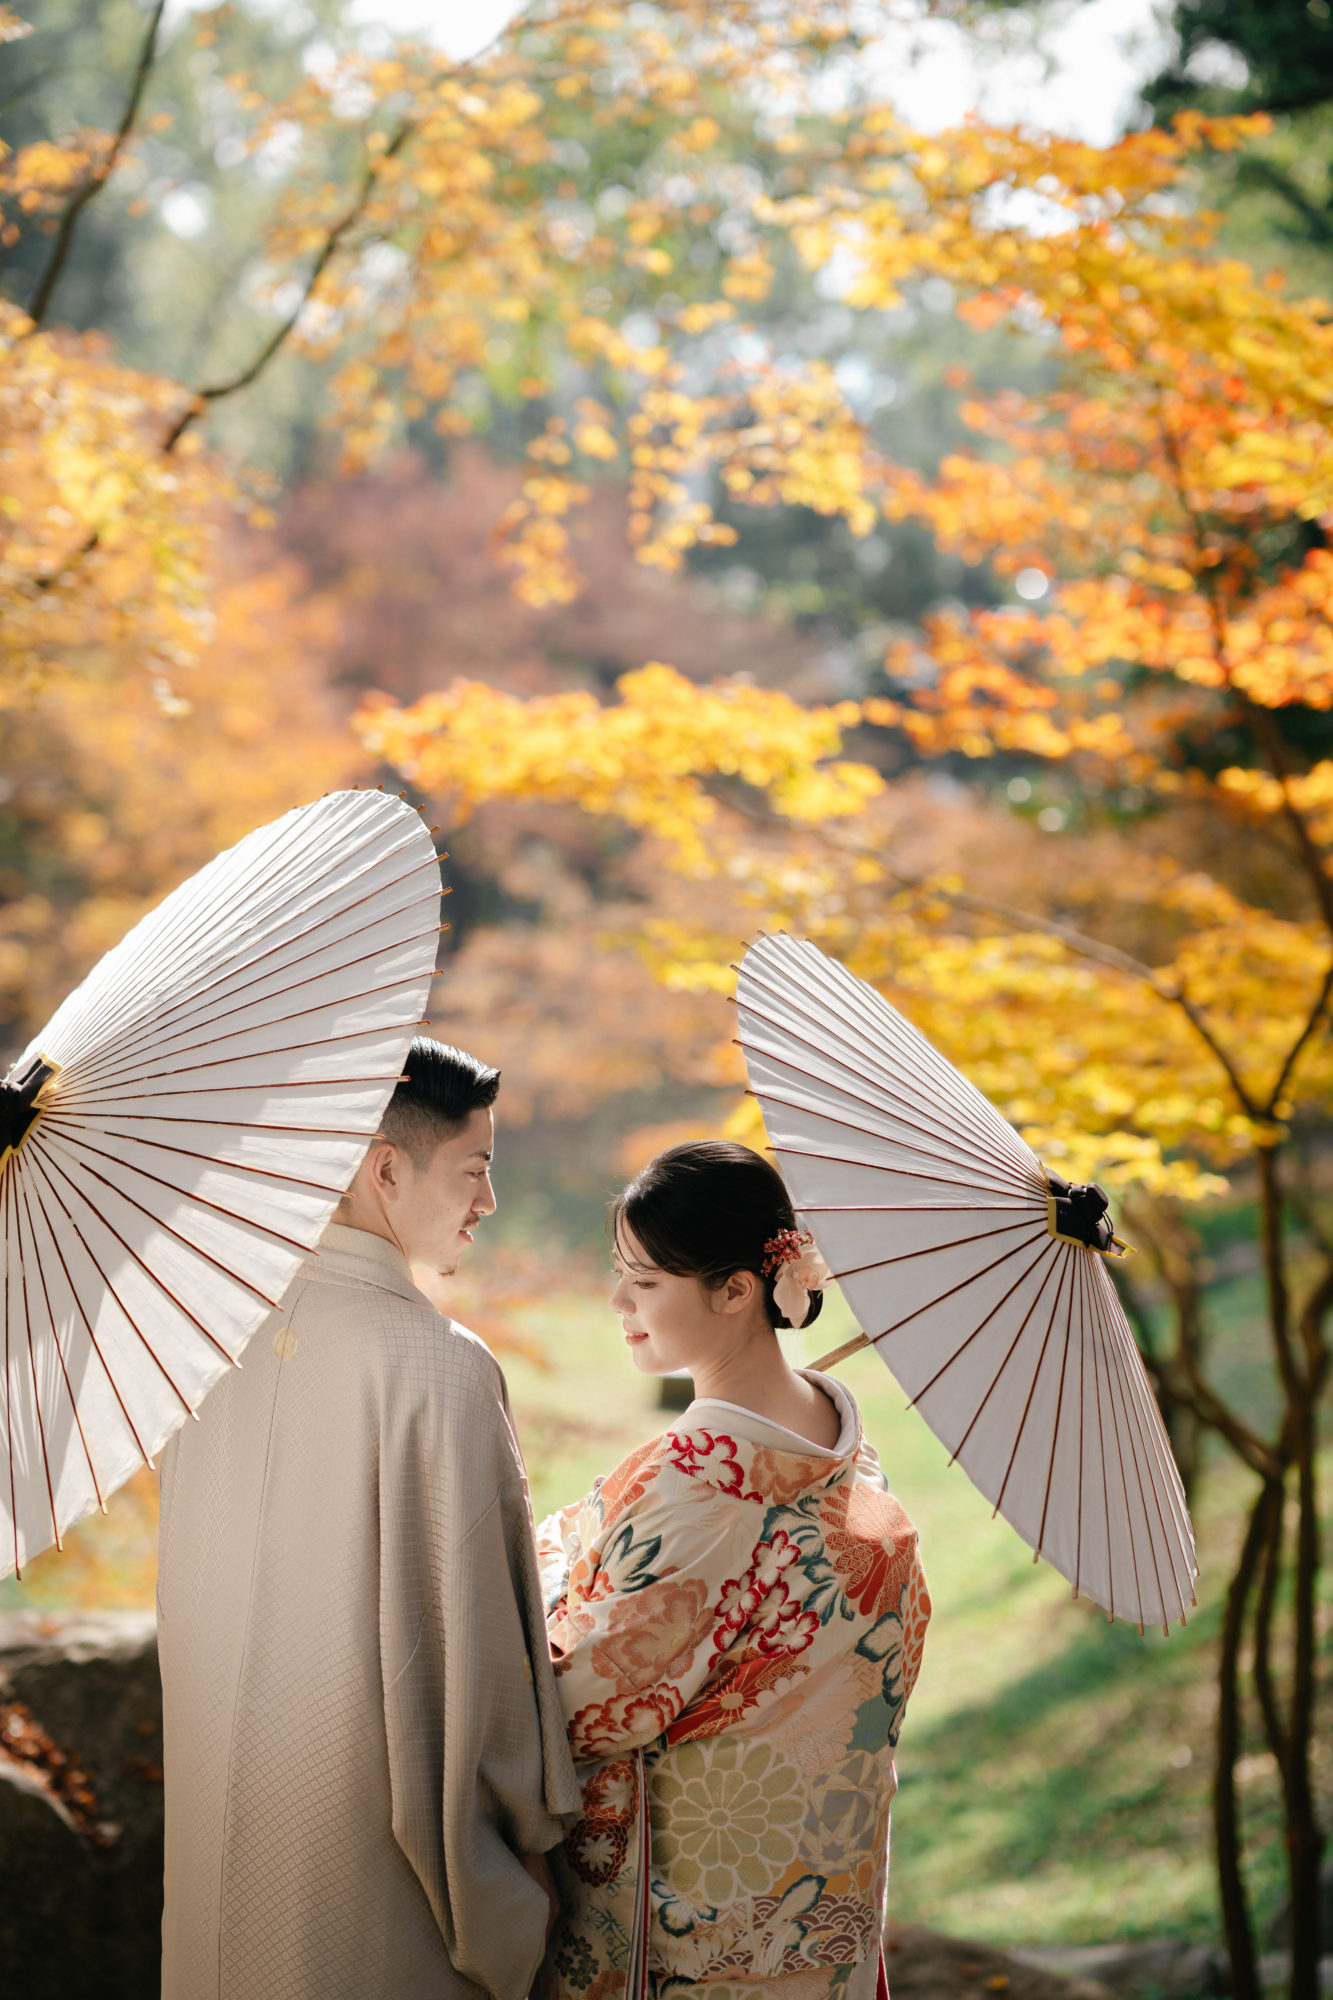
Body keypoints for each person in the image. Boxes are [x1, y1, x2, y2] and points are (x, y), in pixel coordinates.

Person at [157, 1038, 580, 2000]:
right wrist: (526, 1850)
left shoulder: (202, 1345)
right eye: (474, 1170)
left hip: (226, 1833)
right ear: (385, 1168)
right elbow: (482, 1664)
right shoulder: (439, 1367)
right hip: (372, 1866)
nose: (489, 1204)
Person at [535, 1141, 931, 2000]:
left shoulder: (697, 1481)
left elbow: (581, 1703)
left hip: (696, 1940)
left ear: (735, 1290)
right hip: (822, 1920)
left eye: (642, 1284)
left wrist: (558, 1571)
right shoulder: (847, 1459)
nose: (617, 1302)